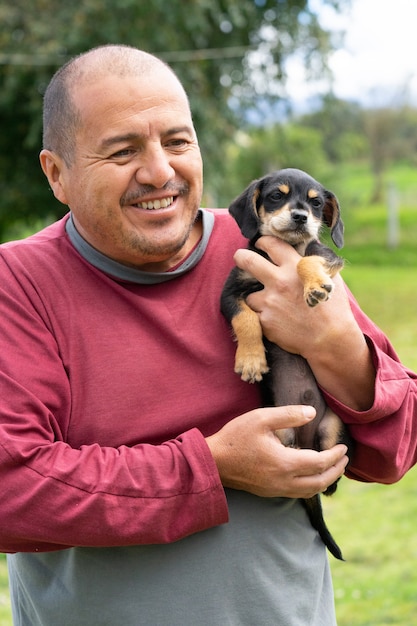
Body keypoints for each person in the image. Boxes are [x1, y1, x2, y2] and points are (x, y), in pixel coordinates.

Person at [0, 44, 416, 626]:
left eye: (177, 142)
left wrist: (333, 344)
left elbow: (394, 449)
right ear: (56, 173)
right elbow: (12, 492)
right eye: (122, 151)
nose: (159, 171)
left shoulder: (271, 256)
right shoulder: (18, 283)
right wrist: (209, 468)